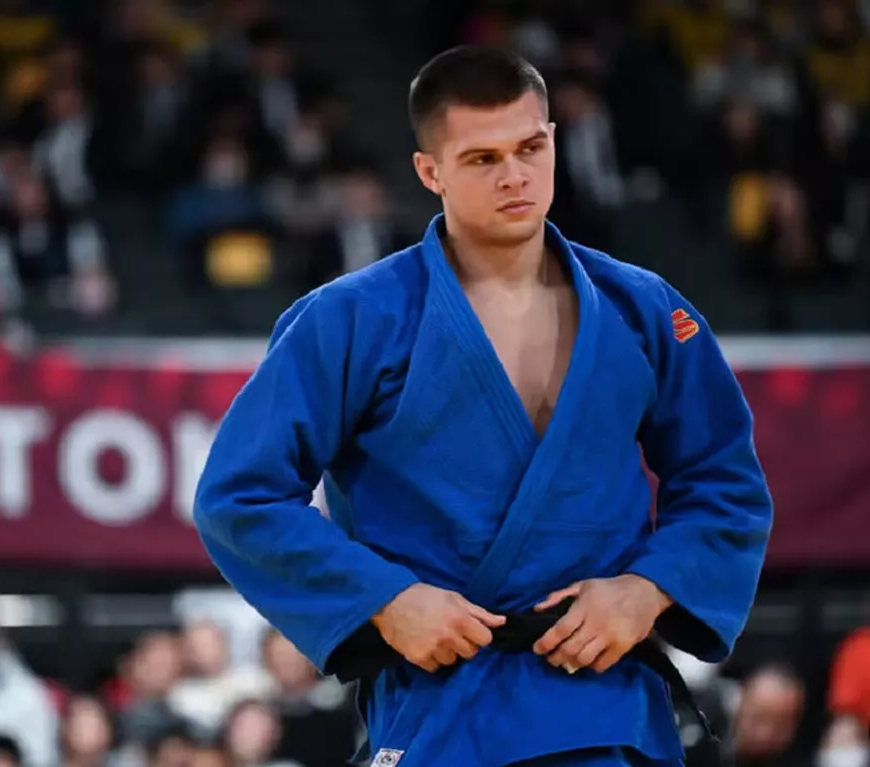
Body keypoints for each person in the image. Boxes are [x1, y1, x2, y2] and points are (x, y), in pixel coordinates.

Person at [193, 45, 773, 767]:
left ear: (554, 141)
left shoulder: (644, 309)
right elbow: (239, 496)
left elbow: (724, 479)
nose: (515, 176)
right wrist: (385, 600)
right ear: (429, 171)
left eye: (530, 148)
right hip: (438, 705)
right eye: (482, 159)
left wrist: (649, 588)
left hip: (606, 708)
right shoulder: (350, 319)